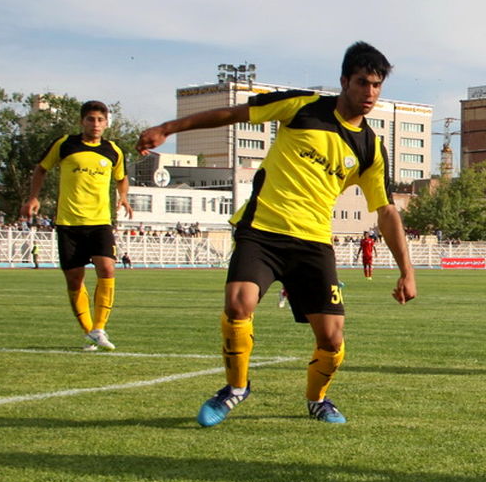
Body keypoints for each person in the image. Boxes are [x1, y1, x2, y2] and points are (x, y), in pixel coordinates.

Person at [136, 42, 416, 427]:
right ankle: (235, 388)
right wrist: (168, 128)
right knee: (238, 303)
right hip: (262, 231)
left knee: (332, 340)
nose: (369, 93)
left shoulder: (371, 148)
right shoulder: (302, 107)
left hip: (314, 243)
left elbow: (385, 211)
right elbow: (232, 113)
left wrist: (407, 270)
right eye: (362, 83)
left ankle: (317, 398)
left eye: (376, 86)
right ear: (344, 81)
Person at [20, 100, 132, 351]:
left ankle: (100, 327)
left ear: (106, 123)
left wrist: (123, 196)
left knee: (107, 269)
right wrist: (34, 197)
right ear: (82, 121)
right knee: (74, 279)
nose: (95, 124)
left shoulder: (113, 150)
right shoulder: (64, 144)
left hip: (100, 222)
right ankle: (89, 332)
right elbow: (41, 169)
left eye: (100, 120)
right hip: (68, 223)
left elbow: (122, 178)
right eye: (91, 119)